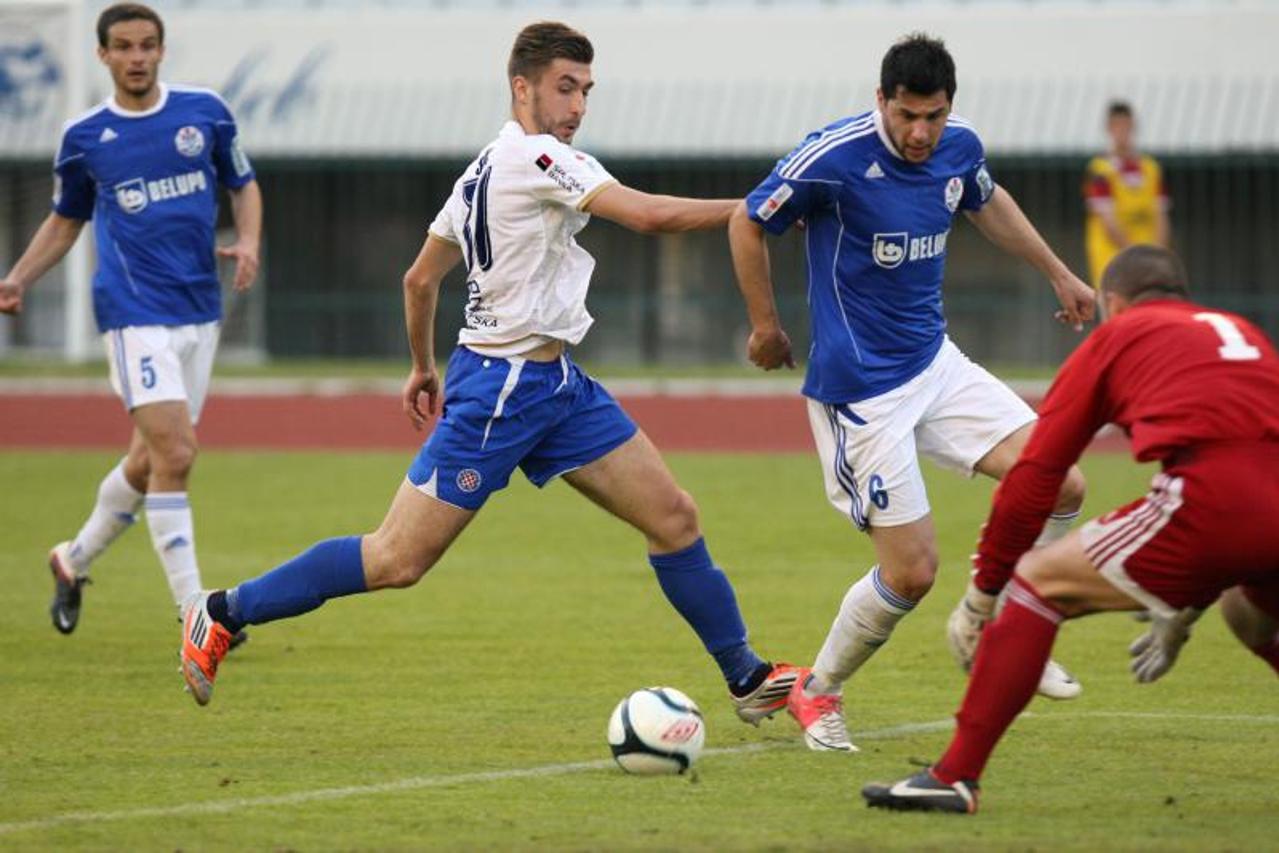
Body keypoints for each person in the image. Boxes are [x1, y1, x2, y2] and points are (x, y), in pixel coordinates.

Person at [178, 21, 798, 717]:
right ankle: (223, 610)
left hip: (554, 386)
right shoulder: (537, 159)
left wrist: (422, 365)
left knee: (675, 517)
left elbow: (419, 280)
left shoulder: (481, 168)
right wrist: (753, 209)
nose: (577, 106)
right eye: (564, 88)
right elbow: (647, 217)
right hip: (502, 389)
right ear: (521, 87)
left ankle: (745, 677)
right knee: (395, 559)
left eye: (586, 91)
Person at [727, 33, 1094, 753]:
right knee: (911, 571)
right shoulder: (830, 160)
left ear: (948, 107)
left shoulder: (958, 148)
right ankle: (817, 690)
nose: (919, 132)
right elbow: (747, 220)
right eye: (905, 116)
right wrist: (766, 326)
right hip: (860, 392)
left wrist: (1058, 271)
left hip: (936, 364)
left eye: (932, 115)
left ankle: (1003, 618)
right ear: (880, 103)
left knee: (1061, 482)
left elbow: (984, 202)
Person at [862, 245, 1279, 814]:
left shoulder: (1118, 336)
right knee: (1249, 611)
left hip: (1215, 501)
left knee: (1036, 583)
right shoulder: (1241, 332)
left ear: (1113, 303)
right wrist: (1189, 606)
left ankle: (955, 775)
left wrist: (985, 592)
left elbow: (1037, 473)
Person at [0, 3, 260, 641]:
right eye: (123, 47)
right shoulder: (86, 137)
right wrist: (18, 277)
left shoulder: (204, 113)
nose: (137, 57)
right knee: (177, 451)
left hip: (200, 309)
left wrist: (248, 241)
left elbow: (243, 183)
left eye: (147, 45)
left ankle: (73, 559)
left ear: (161, 51)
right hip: (131, 312)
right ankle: (196, 612)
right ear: (103, 56)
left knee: (149, 461)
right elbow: (66, 219)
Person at [1083, 101, 1170, 287]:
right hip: (1112, 257)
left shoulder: (1150, 168)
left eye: (1126, 126)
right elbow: (1108, 221)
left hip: (1147, 257)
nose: (1122, 132)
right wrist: (1136, 256)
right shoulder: (1100, 171)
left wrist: (1157, 255)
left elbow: (1161, 215)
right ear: (1108, 129)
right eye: (1117, 126)